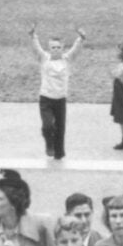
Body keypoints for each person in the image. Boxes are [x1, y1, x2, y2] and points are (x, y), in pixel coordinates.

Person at [31, 27, 86, 162]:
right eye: (53, 47)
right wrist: (33, 35)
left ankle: (59, 152)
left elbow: (76, 49)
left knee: (60, 127)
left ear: (62, 48)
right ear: (49, 49)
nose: (55, 50)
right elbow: (36, 48)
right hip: (46, 99)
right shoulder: (44, 58)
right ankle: (49, 144)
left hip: (60, 99)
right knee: (47, 125)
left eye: (58, 47)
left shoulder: (67, 59)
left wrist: (81, 38)